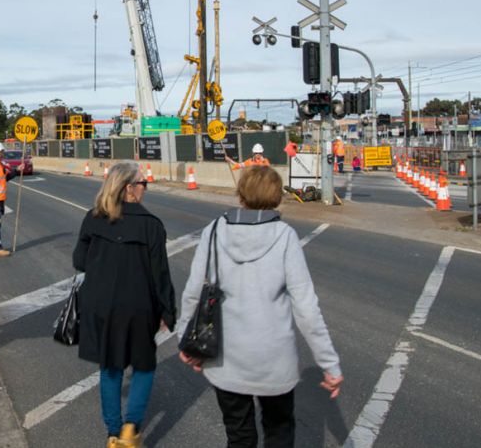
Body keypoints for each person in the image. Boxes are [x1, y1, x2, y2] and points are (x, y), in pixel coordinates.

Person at [178, 166, 343, 448]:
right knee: (279, 432)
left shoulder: (215, 230)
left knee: (239, 435)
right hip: (274, 361)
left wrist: (187, 341)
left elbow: (194, 290)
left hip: (225, 358)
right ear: (277, 197)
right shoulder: (284, 235)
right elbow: (305, 306)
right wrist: (329, 363)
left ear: (241, 193)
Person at [73, 162, 176, 448]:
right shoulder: (152, 225)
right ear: (129, 188)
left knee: (110, 368)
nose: (146, 189)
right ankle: (131, 428)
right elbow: (160, 274)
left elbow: (79, 261)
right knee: (143, 366)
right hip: (139, 305)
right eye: (143, 184)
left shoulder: (93, 218)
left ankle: (113, 434)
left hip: (101, 304)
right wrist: (168, 310)